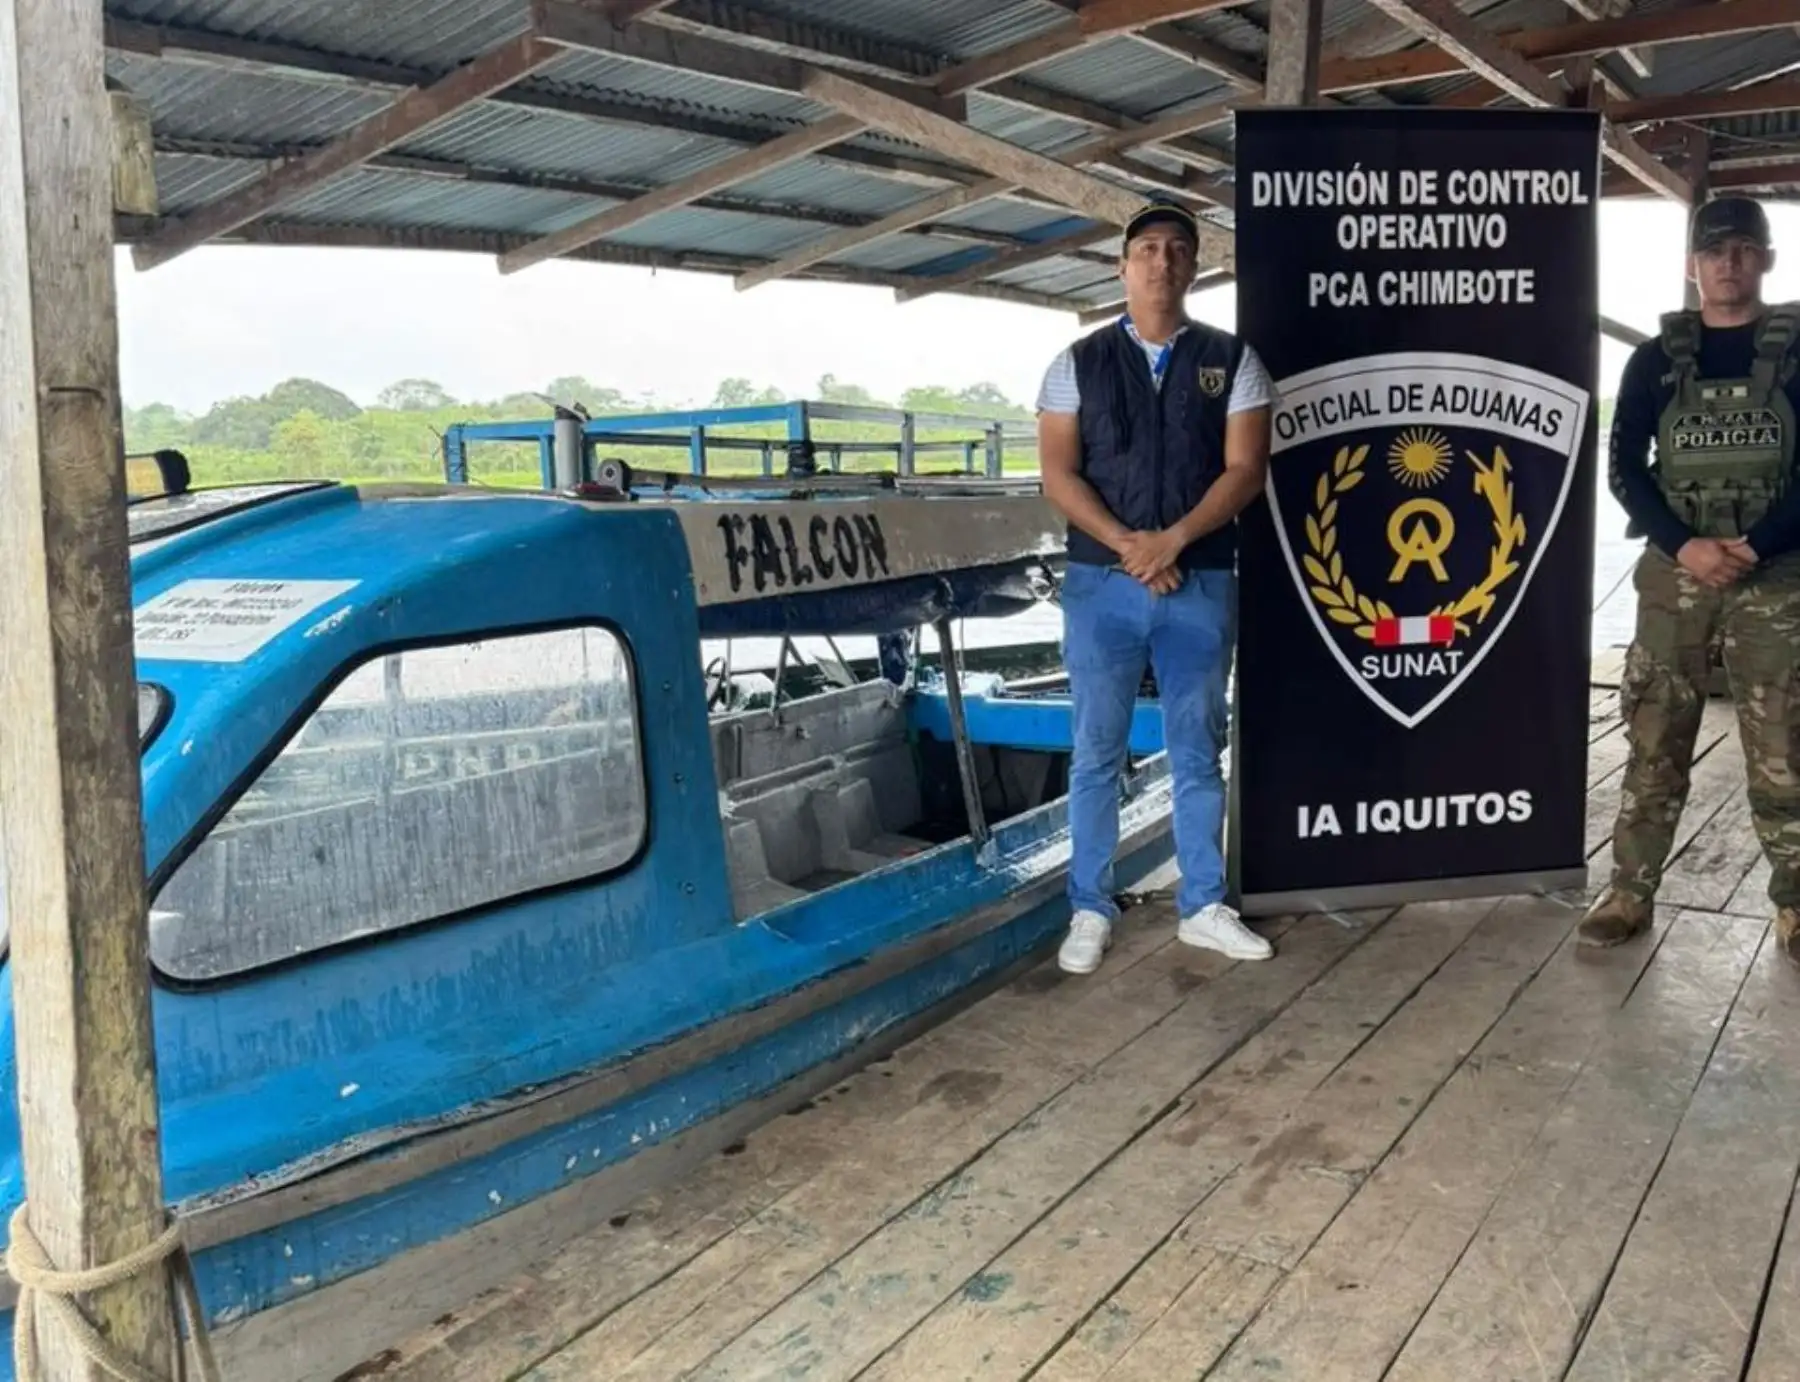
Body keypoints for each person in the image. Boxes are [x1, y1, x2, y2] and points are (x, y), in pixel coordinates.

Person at [1036, 196, 1275, 975]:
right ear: (1122, 267)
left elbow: (1245, 470)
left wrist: (1173, 540)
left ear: (1194, 267)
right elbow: (1058, 474)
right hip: (1100, 583)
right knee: (1096, 750)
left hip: (1199, 579)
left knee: (1198, 746)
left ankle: (1203, 905)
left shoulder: (1233, 361)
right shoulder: (1075, 363)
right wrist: (1130, 545)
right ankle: (1089, 905)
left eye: (1177, 249)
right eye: (1146, 249)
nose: (1161, 261)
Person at [1583, 194, 1800, 963]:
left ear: (1766, 259)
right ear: (1692, 266)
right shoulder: (1654, 359)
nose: (1728, 263)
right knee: (1654, 734)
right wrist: (1685, 545)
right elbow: (1623, 469)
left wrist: (1757, 543)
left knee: (1785, 743)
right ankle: (1628, 891)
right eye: (1714, 251)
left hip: (1777, 577)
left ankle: (1795, 902)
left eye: (1743, 249)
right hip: (1678, 575)